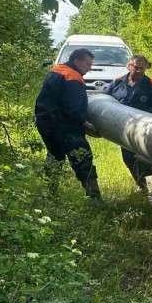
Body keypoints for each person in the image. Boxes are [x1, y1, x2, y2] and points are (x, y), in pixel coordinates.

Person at [35, 48, 101, 199]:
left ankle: (48, 194)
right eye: (87, 64)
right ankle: (95, 198)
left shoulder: (57, 70)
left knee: (55, 155)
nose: (89, 68)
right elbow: (72, 108)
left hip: (46, 124)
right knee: (82, 158)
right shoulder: (73, 77)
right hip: (65, 127)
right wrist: (86, 124)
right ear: (77, 61)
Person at [104, 54, 152, 190]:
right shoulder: (117, 82)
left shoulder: (151, 85)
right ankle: (141, 184)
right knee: (128, 158)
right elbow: (105, 99)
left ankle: (144, 181)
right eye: (136, 67)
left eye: (142, 68)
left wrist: (141, 118)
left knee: (144, 158)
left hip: (142, 127)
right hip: (121, 127)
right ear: (129, 66)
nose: (139, 71)